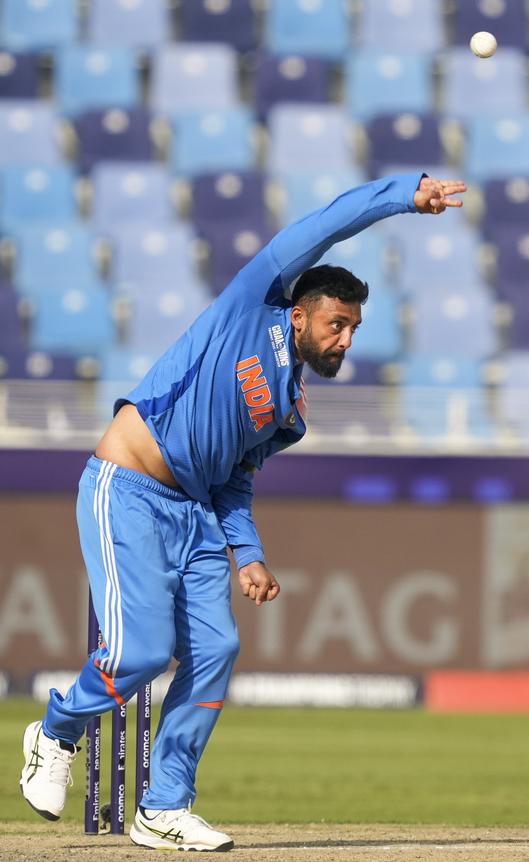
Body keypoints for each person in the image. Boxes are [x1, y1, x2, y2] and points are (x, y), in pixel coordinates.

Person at [19, 172, 466, 851]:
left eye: (354, 329)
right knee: (139, 652)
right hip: (128, 487)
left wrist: (248, 553)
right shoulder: (252, 302)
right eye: (336, 323)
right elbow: (325, 222)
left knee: (219, 648)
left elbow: (233, 482)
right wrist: (407, 194)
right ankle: (55, 733)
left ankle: (163, 806)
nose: (345, 339)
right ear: (300, 313)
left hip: (196, 513)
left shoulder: (290, 413)